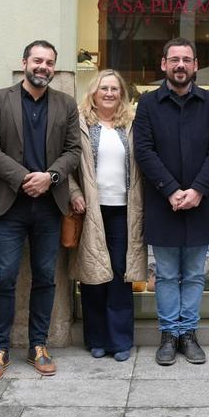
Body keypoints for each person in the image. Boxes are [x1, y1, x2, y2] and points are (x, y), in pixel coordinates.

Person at [0, 40, 81, 381]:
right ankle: (0, 348)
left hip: (50, 207)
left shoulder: (65, 104)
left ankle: (39, 344)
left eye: (50, 62)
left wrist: (50, 177)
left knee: (45, 278)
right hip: (10, 205)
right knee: (4, 277)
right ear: (24, 62)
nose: (43, 67)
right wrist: (25, 178)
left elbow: (73, 150)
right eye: (38, 60)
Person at [133, 37, 209, 366]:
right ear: (164, 65)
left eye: (186, 60)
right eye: (174, 59)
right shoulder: (147, 104)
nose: (180, 65)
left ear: (195, 65)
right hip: (164, 204)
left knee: (195, 275)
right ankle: (168, 335)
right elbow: (144, 151)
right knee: (168, 274)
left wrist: (198, 189)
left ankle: (189, 334)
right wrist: (172, 190)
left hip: (201, 203)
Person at [68, 69, 147, 363]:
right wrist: (74, 193)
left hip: (125, 210)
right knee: (93, 275)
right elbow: (66, 165)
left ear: (122, 95)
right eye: (104, 89)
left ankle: (121, 340)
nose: (110, 93)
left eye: (115, 89)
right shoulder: (80, 124)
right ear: (94, 93)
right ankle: (97, 338)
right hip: (90, 209)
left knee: (119, 273)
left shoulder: (131, 124)